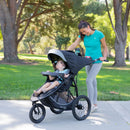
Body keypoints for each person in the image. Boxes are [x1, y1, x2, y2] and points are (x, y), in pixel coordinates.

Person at [68, 20, 107, 112]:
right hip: (87, 60)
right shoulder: (82, 36)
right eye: (82, 32)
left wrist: (104, 56)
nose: (84, 33)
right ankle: (95, 103)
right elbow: (74, 44)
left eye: (84, 31)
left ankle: (90, 104)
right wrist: (66, 52)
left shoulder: (99, 34)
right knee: (93, 81)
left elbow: (105, 46)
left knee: (89, 80)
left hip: (97, 61)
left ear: (88, 27)